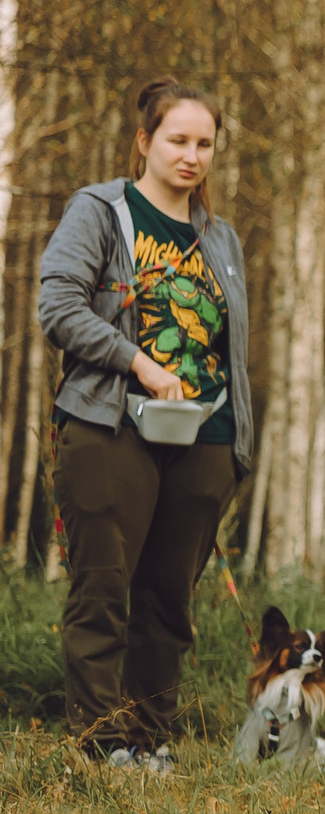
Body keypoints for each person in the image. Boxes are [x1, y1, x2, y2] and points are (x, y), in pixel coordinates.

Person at [36, 79, 259, 770]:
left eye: (205, 143)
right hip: (110, 429)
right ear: (145, 141)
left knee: (167, 600)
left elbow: (229, 345)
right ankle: (103, 745)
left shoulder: (220, 238)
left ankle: (148, 738)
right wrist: (136, 360)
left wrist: (237, 444)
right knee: (103, 588)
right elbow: (60, 308)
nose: (192, 155)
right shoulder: (101, 212)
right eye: (177, 140)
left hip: (205, 440)